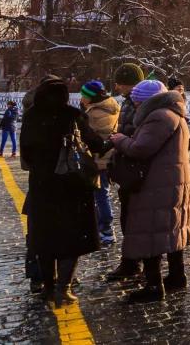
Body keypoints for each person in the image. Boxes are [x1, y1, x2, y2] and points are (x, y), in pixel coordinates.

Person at [20, 76, 110, 307]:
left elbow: (26, 155)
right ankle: (64, 288)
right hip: (72, 187)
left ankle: (48, 288)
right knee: (72, 237)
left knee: (45, 238)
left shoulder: (31, 116)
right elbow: (95, 143)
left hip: (42, 187)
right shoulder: (73, 115)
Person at [109, 79, 190, 303]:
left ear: (145, 102)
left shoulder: (159, 117)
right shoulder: (174, 113)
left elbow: (140, 148)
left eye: (137, 102)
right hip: (172, 180)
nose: (135, 106)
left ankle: (154, 286)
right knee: (171, 228)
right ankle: (177, 276)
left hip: (157, 183)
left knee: (150, 231)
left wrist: (120, 140)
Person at [105, 62, 145, 281]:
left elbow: (134, 133)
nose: (117, 87)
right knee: (128, 217)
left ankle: (133, 262)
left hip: (133, 167)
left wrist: (119, 140)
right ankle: (131, 260)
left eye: (120, 83)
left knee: (133, 218)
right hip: (127, 164)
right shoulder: (130, 102)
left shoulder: (139, 104)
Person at [80, 81, 120, 245]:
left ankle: (106, 229)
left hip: (98, 159)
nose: (81, 98)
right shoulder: (110, 107)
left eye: (84, 95)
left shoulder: (95, 114)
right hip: (106, 157)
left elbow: (89, 137)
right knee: (101, 194)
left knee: (100, 195)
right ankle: (102, 227)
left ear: (91, 97)